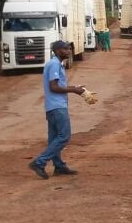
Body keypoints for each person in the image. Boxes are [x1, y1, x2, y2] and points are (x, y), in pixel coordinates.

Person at [28, 41, 88, 179]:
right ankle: (39, 162)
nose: (69, 51)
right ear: (57, 50)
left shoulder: (57, 64)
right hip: (57, 107)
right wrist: (73, 90)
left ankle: (59, 166)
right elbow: (53, 87)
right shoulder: (54, 64)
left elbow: (58, 85)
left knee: (54, 138)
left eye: (69, 48)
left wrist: (74, 87)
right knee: (64, 136)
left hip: (52, 107)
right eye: (65, 48)